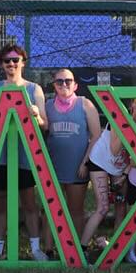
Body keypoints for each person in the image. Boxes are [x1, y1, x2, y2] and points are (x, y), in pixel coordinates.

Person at [0, 43, 49, 261]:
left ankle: (35, 249)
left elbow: (45, 125)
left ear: (23, 62)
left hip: (26, 154)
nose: (11, 64)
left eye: (16, 60)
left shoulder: (34, 89)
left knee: (29, 203)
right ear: (2, 64)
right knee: (0, 204)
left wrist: (36, 115)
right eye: (7, 60)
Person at [80, 95, 136, 251]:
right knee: (103, 207)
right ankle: (82, 248)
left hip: (121, 168)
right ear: (132, 104)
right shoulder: (119, 118)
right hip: (100, 161)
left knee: (121, 208)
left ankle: (116, 250)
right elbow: (114, 150)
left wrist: (126, 173)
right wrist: (126, 126)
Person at [43, 69, 102, 238]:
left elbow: (96, 136)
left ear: (75, 85)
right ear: (54, 85)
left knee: (75, 209)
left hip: (77, 168)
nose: (64, 84)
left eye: (68, 81)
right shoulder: (47, 106)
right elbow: (41, 129)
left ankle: (76, 247)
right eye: (59, 81)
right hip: (53, 167)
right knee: (49, 209)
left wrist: (85, 162)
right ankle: (48, 248)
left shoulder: (85, 104)